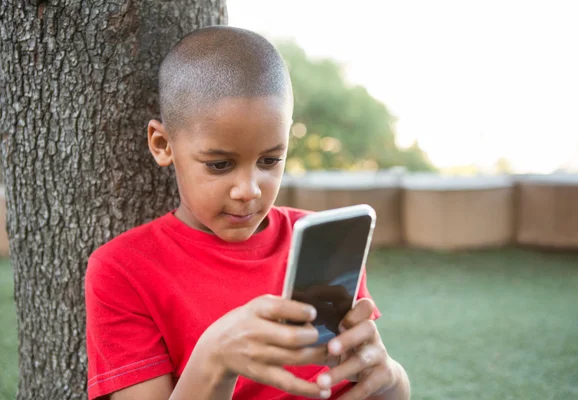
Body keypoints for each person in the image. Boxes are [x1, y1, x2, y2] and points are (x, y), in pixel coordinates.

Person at [85, 25, 410, 400]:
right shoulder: (124, 269)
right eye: (220, 165)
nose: (249, 190)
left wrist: (391, 380)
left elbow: (379, 387)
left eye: (270, 160)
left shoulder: (317, 240)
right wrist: (216, 358)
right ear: (162, 144)